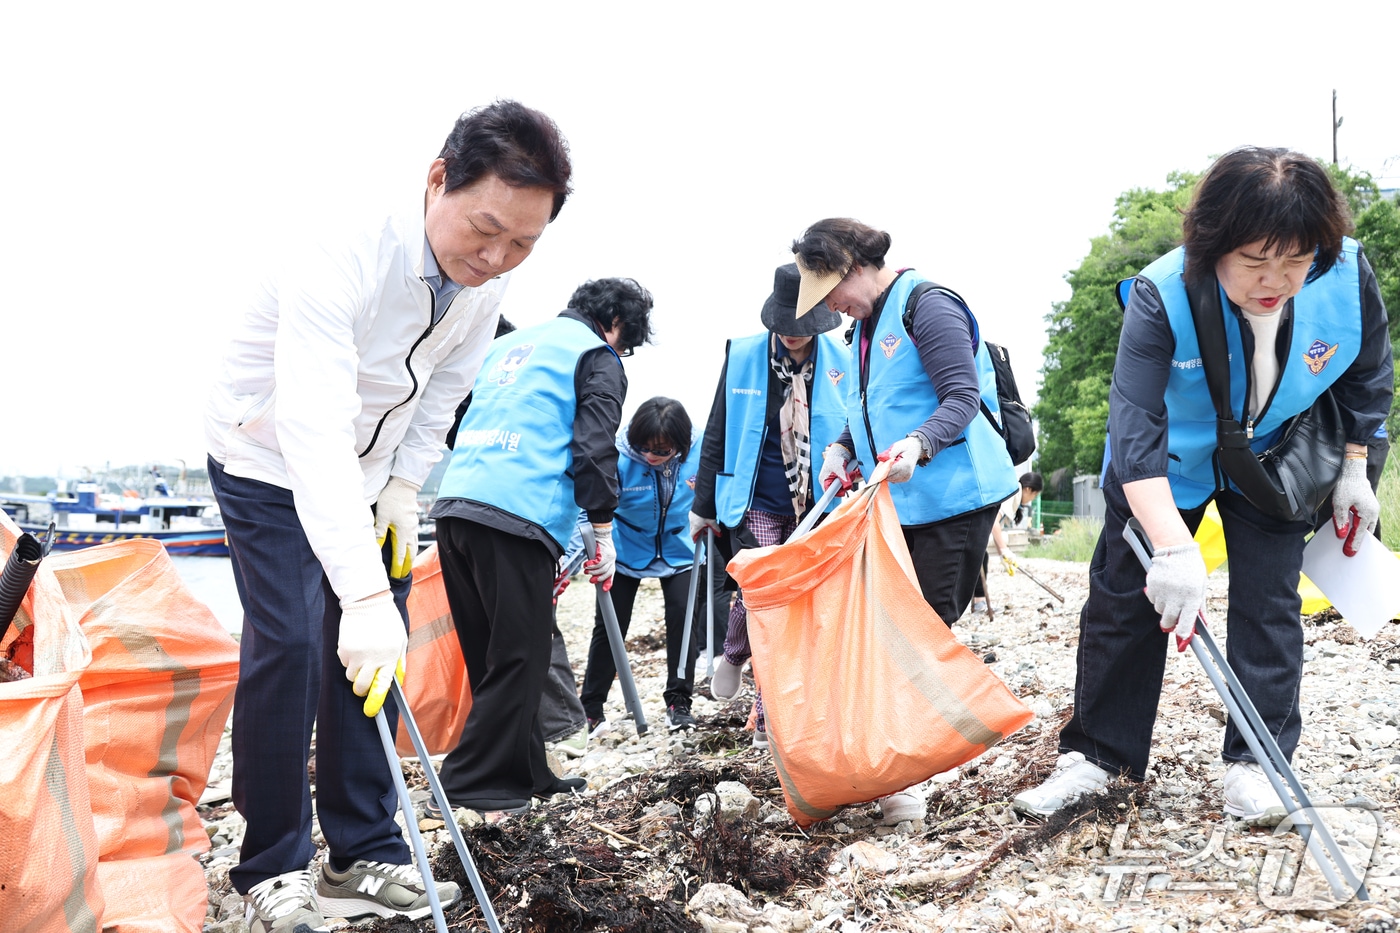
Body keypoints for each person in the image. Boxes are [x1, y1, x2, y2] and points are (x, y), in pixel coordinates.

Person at [204, 101, 571, 932]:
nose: (496, 257)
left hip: (373, 473)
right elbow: (313, 428)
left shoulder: (486, 278)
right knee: (294, 642)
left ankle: (361, 851)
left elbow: (446, 387)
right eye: (485, 229)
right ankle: (272, 866)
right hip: (267, 452)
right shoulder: (341, 247)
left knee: (376, 654)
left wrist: (405, 485)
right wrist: (362, 595)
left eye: (522, 243)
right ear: (438, 178)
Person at [1012, 147, 1392, 823]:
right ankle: (1098, 757)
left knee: (1270, 603)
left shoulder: (1344, 272)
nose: (1275, 280)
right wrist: (1170, 546)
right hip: (1168, 462)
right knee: (1126, 597)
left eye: (1295, 260)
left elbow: (1368, 373)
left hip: (1277, 458)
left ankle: (1258, 765)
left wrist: (1356, 466)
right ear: (1212, 245)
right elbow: (1135, 429)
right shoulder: (1161, 295)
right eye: (1254, 260)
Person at [793, 218, 1019, 825]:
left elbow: (962, 397)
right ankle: (892, 762)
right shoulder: (864, 327)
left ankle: (911, 776)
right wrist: (841, 448)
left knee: (922, 630)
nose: (831, 308)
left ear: (854, 266)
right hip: (898, 501)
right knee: (887, 627)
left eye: (832, 293)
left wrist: (920, 444)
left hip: (955, 497)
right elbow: (870, 406)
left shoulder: (928, 306)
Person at [429, 277, 654, 818]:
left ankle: (526, 769)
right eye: (626, 344)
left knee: (493, 653)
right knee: (521, 654)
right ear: (616, 324)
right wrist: (603, 528)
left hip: (457, 504)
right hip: (517, 514)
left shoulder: (509, 345)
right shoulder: (595, 356)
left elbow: (456, 420)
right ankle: (467, 778)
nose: (621, 353)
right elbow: (594, 447)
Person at [689, 262, 850, 747]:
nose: (792, 334)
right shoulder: (743, 355)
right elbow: (717, 429)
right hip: (753, 498)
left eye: (803, 325)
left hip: (816, 505)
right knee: (759, 594)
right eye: (784, 324)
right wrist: (702, 506)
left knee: (791, 607)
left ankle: (765, 712)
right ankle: (738, 656)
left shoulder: (842, 360)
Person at [579, 397, 707, 732]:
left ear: (680, 445)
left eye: (661, 451)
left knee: (683, 618)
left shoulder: (702, 449)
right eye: (643, 448)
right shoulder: (617, 456)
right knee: (610, 625)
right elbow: (590, 505)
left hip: (682, 547)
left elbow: (720, 490)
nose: (650, 456)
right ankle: (590, 708)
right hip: (625, 549)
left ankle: (679, 703)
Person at [972, 472, 1043, 614]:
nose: (1032, 499)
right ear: (1028, 489)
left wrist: (1002, 555)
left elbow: (994, 525)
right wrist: (1004, 550)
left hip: (976, 525)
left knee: (981, 556)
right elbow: (994, 523)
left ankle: (978, 602)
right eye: (1034, 495)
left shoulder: (1013, 492)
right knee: (981, 557)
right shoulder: (1013, 491)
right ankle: (979, 603)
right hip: (974, 524)